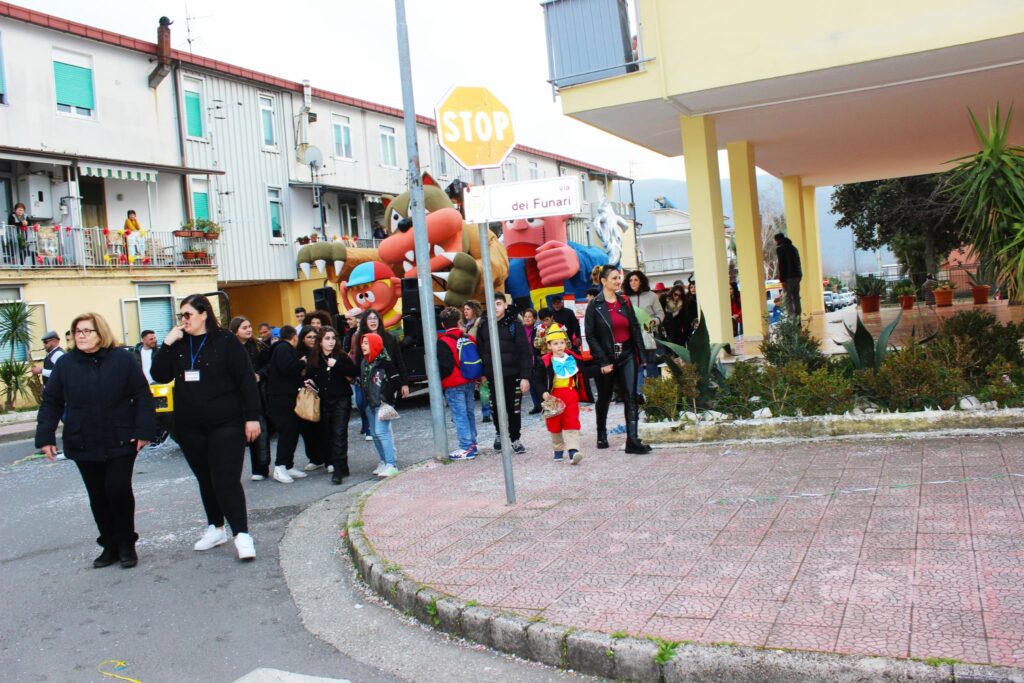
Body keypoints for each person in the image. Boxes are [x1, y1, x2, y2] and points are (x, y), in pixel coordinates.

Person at [35, 313, 154, 569]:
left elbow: (142, 395)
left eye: (87, 330)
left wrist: (144, 430)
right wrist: (45, 436)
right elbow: (51, 401)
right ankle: (109, 546)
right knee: (98, 495)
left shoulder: (122, 359)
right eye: (77, 331)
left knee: (118, 490)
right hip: (83, 440)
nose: (81, 335)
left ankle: (126, 544)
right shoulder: (66, 365)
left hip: (121, 438)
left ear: (101, 333)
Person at [151, 295, 262, 561]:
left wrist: (252, 416)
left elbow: (246, 380)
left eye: (187, 315)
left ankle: (242, 534)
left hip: (226, 422)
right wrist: (166, 344)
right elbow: (159, 374)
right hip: (190, 426)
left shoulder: (225, 341)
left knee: (225, 480)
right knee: (205, 479)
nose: (183, 320)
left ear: (204, 314)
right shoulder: (178, 344)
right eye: (181, 316)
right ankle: (216, 527)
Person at [584, 265, 650, 454]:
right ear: (603, 281)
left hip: (627, 355)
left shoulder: (625, 301)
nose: (618, 281)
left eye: (619, 277)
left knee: (630, 396)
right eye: (614, 278)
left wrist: (642, 355)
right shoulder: (594, 305)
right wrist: (603, 361)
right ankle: (601, 433)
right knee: (604, 397)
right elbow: (590, 335)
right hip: (606, 358)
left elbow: (635, 328)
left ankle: (632, 439)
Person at [476, 295, 532, 453]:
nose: (495, 307)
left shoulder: (515, 325)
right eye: (491, 304)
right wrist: (483, 374)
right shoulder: (483, 325)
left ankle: (515, 438)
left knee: (513, 408)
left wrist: (525, 377)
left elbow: (525, 353)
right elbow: (481, 351)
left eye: (499, 303)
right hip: (492, 376)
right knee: (495, 408)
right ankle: (499, 433)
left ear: (506, 305)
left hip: (513, 375)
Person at [304, 326, 357, 484]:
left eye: (333, 338)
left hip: (341, 398)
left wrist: (337, 365)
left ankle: (338, 470)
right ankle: (343, 465)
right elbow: (308, 376)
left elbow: (354, 371)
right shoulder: (314, 358)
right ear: (320, 341)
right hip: (323, 400)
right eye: (327, 339)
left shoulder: (340, 356)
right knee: (329, 434)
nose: (331, 342)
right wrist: (309, 383)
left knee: (339, 433)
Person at [229, 316, 271, 481]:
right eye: (244, 327)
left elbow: (269, 365)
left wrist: (260, 374)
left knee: (261, 431)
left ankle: (261, 468)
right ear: (235, 331)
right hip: (236, 397)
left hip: (258, 394)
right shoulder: (231, 348)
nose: (248, 330)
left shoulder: (258, 346)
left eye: (249, 326)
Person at [265, 326, 307, 484]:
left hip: (286, 396)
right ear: (294, 337)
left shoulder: (280, 348)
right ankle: (280, 466)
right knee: (287, 431)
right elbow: (288, 368)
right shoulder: (283, 348)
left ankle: (288, 465)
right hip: (282, 398)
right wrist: (301, 363)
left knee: (293, 430)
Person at [436, 307, 478, 460]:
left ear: (442, 324)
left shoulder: (442, 341)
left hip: (453, 382)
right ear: (459, 321)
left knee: (460, 415)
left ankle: (466, 447)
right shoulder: (467, 338)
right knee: (469, 413)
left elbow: (445, 366)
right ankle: (473, 444)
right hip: (469, 379)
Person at [540, 323, 585, 465]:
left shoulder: (573, 358)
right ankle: (558, 449)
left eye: (561, 343)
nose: (559, 346)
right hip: (553, 396)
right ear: (549, 346)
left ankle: (573, 451)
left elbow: (586, 371)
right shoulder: (545, 362)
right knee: (554, 423)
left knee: (572, 421)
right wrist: (543, 391)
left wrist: (601, 368)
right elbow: (538, 379)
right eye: (555, 343)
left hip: (570, 394)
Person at [359, 332, 401, 477]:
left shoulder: (385, 362)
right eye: (362, 342)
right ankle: (384, 461)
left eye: (366, 343)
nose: (363, 346)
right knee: (376, 434)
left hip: (383, 404)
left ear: (375, 344)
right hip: (370, 404)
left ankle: (391, 464)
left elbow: (396, 381)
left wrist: (384, 397)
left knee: (382, 432)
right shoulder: (365, 362)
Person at [623, 270, 665, 382]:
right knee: (637, 362)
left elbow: (660, 313)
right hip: (632, 334)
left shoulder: (651, 296)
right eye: (630, 280)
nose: (633, 282)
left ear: (641, 281)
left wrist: (653, 321)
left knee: (651, 362)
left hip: (649, 333)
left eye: (636, 280)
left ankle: (655, 391)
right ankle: (638, 393)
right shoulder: (624, 298)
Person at [296, 325, 326, 471]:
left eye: (315, 337)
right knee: (306, 427)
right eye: (309, 337)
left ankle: (326, 457)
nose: (312, 339)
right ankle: (314, 457)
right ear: (302, 339)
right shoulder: (299, 354)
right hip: (305, 395)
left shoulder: (321, 352)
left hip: (321, 393)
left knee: (322, 427)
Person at [460, 300, 491, 424]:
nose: (465, 311)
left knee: (484, 387)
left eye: (468, 309)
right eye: (464, 309)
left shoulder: (480, 324)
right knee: (474, 387)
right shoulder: (464, 325)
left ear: (474, 310)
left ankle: (487, 412)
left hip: (480, 358)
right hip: (468, 361)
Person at [521, 308, 544, 414]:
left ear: (534, 319)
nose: (527, 318)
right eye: (525, 316)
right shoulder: (521, 330)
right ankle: (536, 405)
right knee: (530, 383)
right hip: (525, 360)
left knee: (538, 383)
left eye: (529, 316)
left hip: (536, 359)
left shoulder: (538, 329)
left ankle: (543, 404)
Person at [775, 233, 803, 317]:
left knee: (787, 298)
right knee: (796, 297)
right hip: (797, 275)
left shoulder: (780, 248)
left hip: (788, 277)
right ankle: (798, 317)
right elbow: (798, 262)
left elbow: (782, 265)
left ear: (777, 240)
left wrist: (782, 279)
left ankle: (791, 319)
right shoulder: (793, 248)